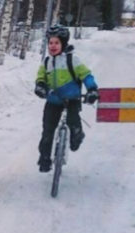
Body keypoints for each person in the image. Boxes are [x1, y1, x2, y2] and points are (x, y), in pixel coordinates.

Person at [34, 24, 99, 173]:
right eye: (50, 43)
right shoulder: (46, 62)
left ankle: (77, 135)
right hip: (53, 101)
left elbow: (86, 75)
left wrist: (92, 89)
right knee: (47, 131)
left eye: (56, 43)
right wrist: (40, 86)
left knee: (72, 120)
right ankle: (44, 158)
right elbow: (40, 77)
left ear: (63, 43)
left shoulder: (72, 60)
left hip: (72, 99)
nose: (53, 46)